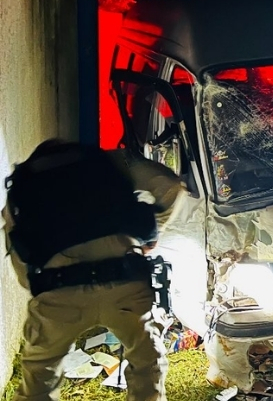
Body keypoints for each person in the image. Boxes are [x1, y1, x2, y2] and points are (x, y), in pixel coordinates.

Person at [3, 140, 184, 401]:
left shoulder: (22, 182)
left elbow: (16, 245)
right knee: (147, 368)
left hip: (60, 289)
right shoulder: (113, 161)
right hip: (125, 282)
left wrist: (40, 291)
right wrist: (152, 234)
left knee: (39, 378)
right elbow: (171, 187)